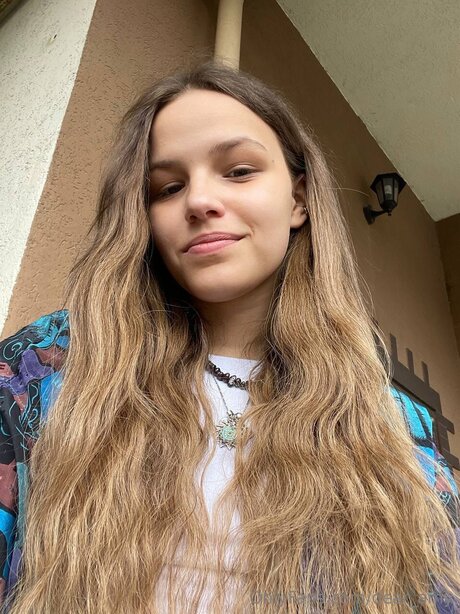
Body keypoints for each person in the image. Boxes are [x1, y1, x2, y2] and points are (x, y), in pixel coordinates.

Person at [0, 61, 458, 613]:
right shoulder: (45, 370)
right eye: (168, 187)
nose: (198, 201)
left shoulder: (395, 428)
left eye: (238, 171)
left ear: (299, 199)